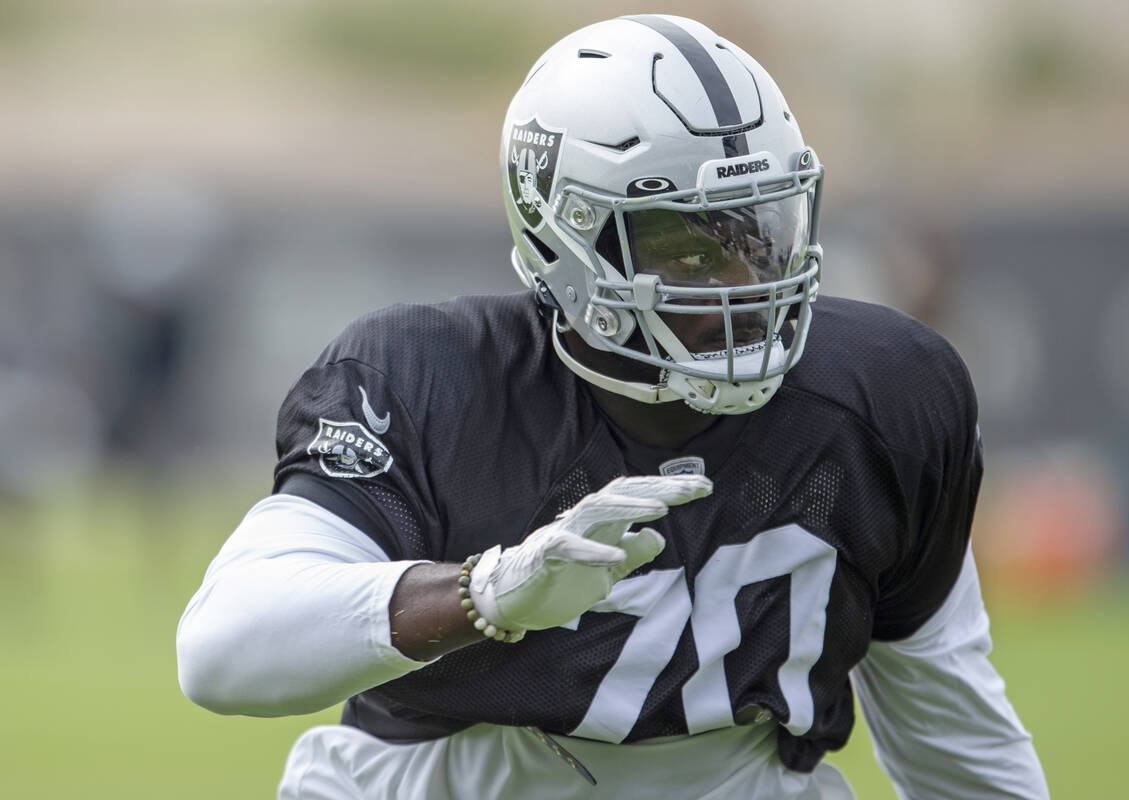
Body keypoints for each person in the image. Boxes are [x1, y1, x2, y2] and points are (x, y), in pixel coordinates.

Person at [177, 14, 1049, 799]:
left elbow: (958, 743)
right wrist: (489, 594)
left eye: (760, 227)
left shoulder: (880, 395)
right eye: (685, 242)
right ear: (565, 237)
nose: (747, 281)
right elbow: (222, 649)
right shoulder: (434, 380)